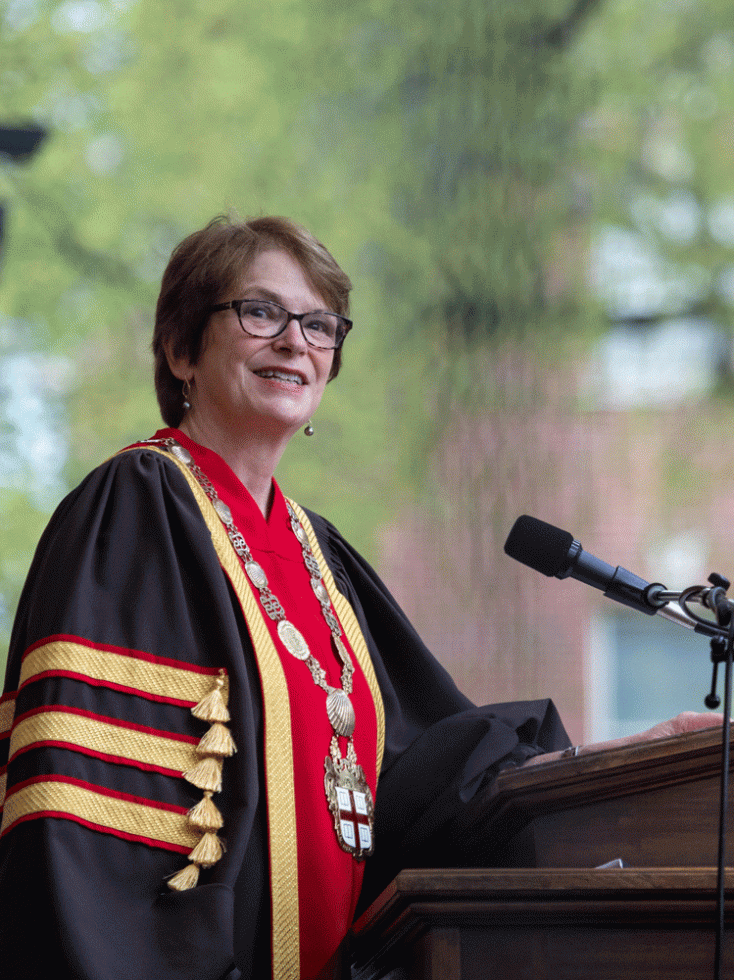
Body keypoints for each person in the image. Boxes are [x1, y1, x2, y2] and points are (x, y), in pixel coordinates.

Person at [0, 215, 719, 980]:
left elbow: (425, 784)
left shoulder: (323, 559)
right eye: (261, 312)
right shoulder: (140, 509)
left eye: (319, 325)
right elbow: (95, 830)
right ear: (181, 349)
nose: (295, 342)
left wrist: (619, 762)